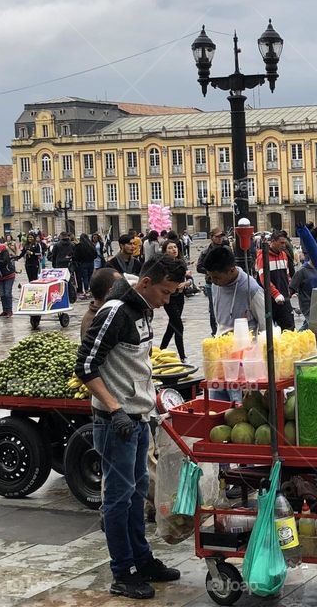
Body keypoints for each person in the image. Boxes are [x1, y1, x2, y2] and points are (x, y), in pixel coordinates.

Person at [75, 255, 185, 599]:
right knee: (118, 499)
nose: (167, 301)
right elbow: (86, 365)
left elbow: (135, 364)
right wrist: (115, 408)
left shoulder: (143, 310)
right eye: (165, 293)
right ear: (147, 284)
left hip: (138, 419)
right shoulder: (114, 312)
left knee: (137, 494)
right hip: (115, 423)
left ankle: (143, 558)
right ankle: (122, 572)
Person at [256, 232, 295, 332]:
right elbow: (264, 278)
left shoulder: (284, 255)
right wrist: (275, 294)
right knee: (268, 331)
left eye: (284, 243)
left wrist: (289, 287)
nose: (284, 245)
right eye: (281, 243)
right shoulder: (262, 257)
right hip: (269, 300)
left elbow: (286, 275)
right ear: (272, 242)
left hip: (284, 298)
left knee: (289, 328)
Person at [158, 242, 191, 361]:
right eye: (170, 248)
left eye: (175, 247)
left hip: (180, 297)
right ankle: (183, 356)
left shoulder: (181, 262)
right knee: (178, 326)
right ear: (165, 251)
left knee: (172, 326)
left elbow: (189, 279)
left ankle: (161, 351)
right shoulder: (162, 265)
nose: (173, 250)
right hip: (169, 298)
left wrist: (186, 283)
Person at [196, 228, 230, 336]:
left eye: (221, 237)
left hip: (225, 283)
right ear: (212, 237)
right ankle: (215, 331)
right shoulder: (205, 252)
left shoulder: (226, 249)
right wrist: (210, 272)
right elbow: (199, 267)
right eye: (217, 237)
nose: (220, 239)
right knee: (213, 308)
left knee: (226, 307)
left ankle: (226, 328)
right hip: (211, 283)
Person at [80, 268, 124, 337]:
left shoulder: (107, 313)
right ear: (111, 292)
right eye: (121, 287)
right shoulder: (98, 321)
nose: (124, 290)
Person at [289, 258, 317, 330]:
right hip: (307, 304)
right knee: (313, 325)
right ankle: (297, 337)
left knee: (309, 324)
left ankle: (299, 336)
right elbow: (292, 287)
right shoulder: (302, 271)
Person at [0, 239, 16, 317]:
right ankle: (5, 310)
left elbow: (5, 261)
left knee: (7, 293)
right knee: (2, 294)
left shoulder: (3, 251)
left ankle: (9, 310)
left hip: (8, 274)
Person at [74, 234, 98, 300]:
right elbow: (95, 255)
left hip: (83, 263)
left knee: (85, 277)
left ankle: (86, 290)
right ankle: (90, 290)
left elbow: (76, 256)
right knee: (90, 277)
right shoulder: (91, 245)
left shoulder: (79, 246)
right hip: (91, 263)